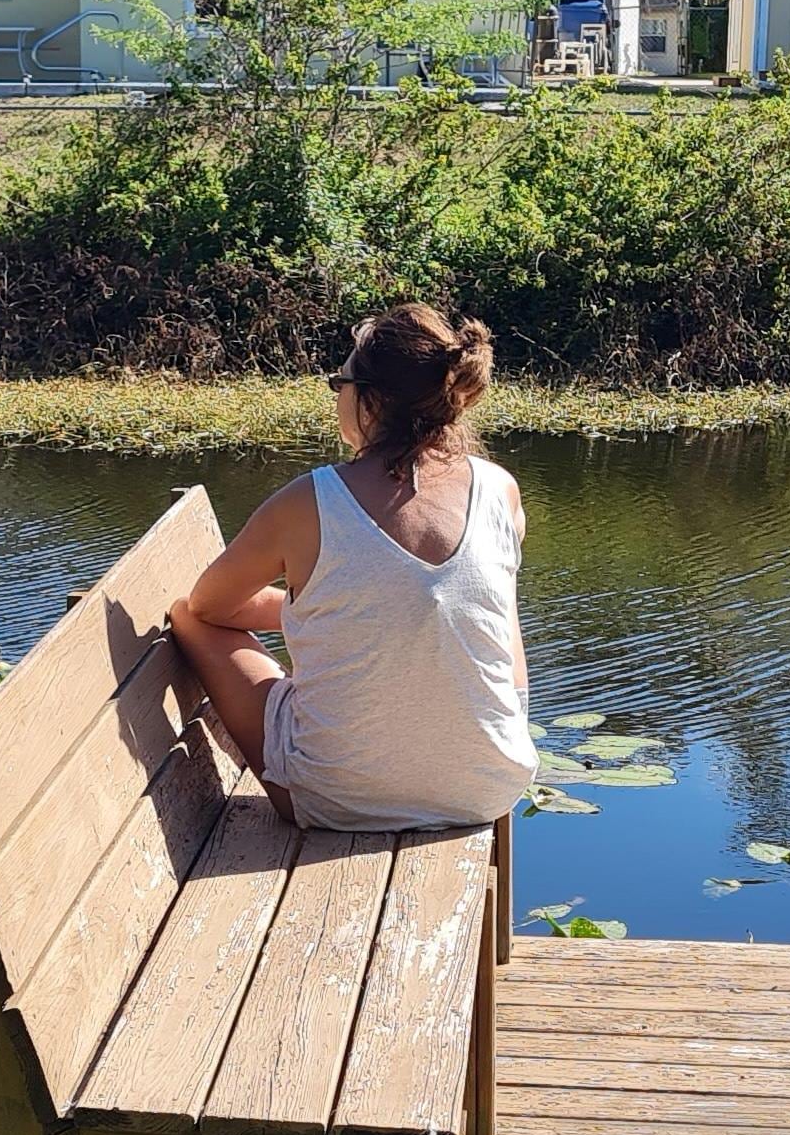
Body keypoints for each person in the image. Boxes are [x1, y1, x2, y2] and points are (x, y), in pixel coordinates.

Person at [167, 304, 533, 831]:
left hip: (338, 800)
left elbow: (208, 606)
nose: (337, 394)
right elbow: (483, 628)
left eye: (340, 382)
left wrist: (307, 613)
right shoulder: (501, 490)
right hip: (488, 787)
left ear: (372, 400)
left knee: (187, 617)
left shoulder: (308, 502)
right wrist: (322, 613)